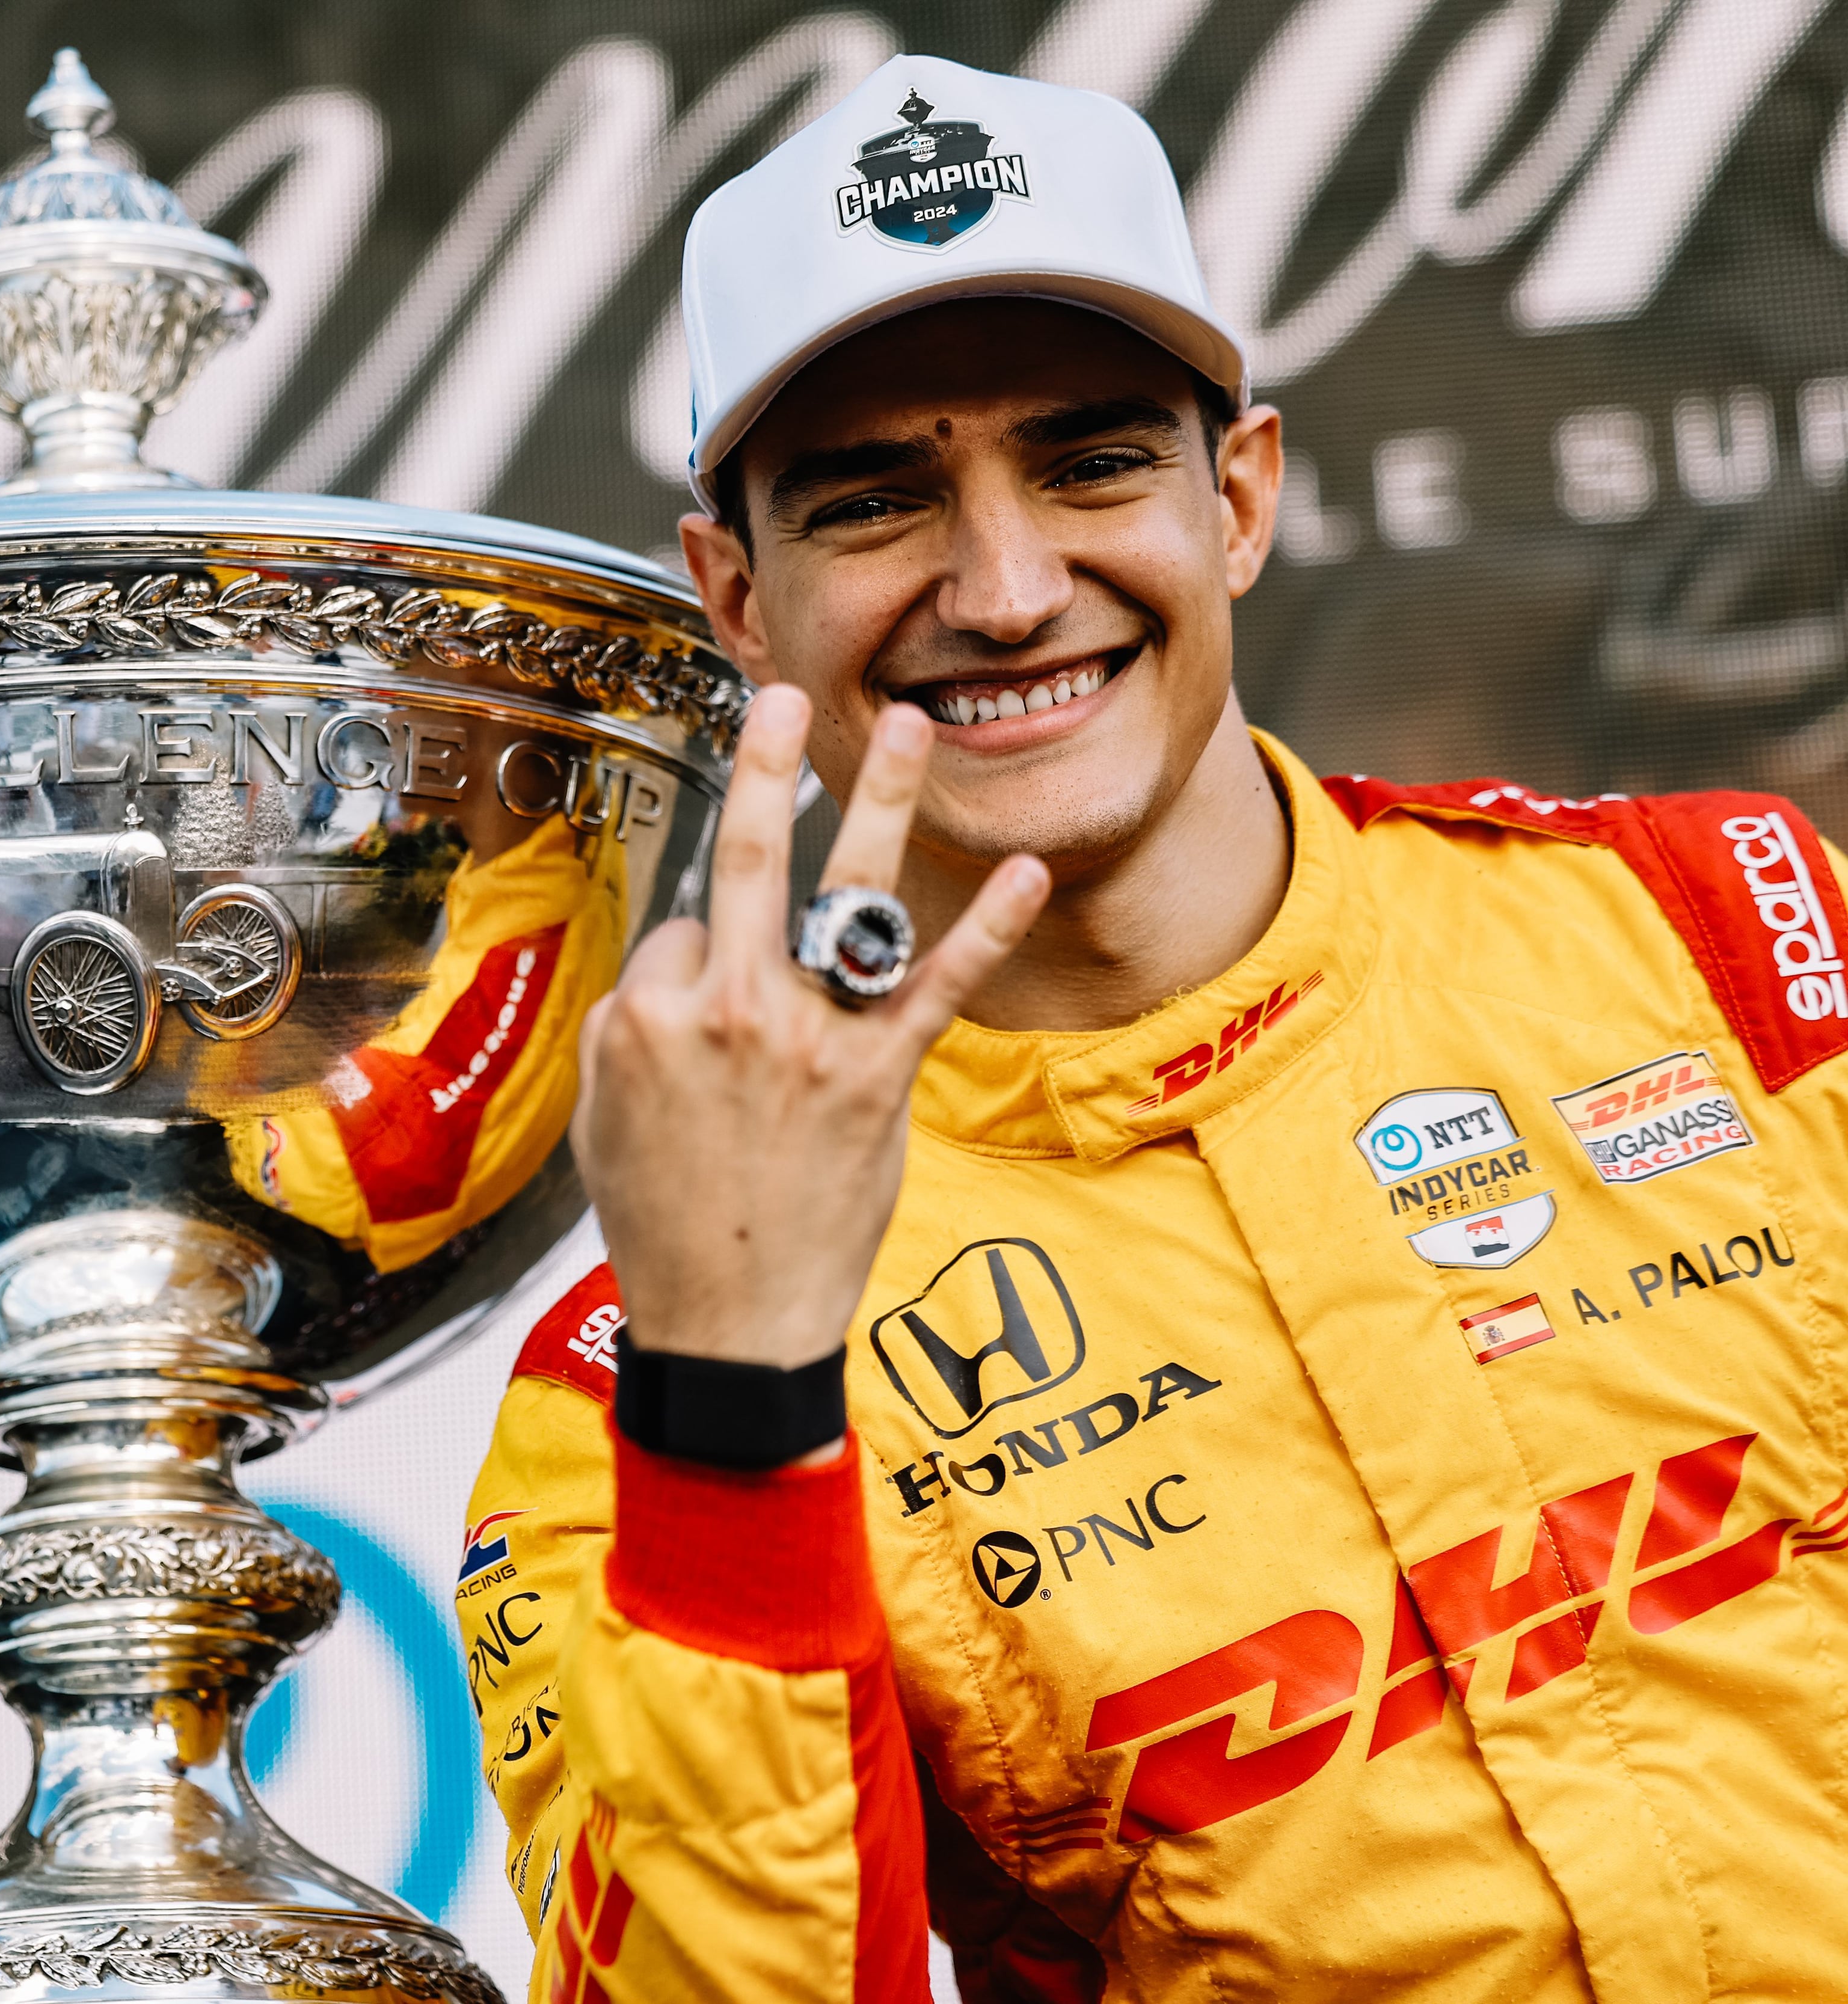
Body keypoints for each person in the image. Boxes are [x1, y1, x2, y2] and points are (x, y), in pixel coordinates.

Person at [460, 51, 1848, 2003]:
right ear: (736, 602)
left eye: (1095, 460)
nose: (1010, 590)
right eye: (875, 501)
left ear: (1244, 497)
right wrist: (736, 1396)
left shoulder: (1734, 938)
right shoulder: (642, 1389)